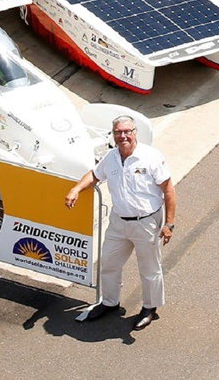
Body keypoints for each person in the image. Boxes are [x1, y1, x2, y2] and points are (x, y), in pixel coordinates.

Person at [65, 116, 176, 331]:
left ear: (135, 132)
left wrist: (169, 224)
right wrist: (76, 189)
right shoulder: (111, 157)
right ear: (113, 134)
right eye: (118, 132)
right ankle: (109, 302)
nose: (123, 136)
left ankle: (149, 308)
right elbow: (95, 175)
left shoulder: (151, 157)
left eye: (127, 131)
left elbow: (169, 190)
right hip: (118, 222)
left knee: (149, 268)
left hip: (146, 223)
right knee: (109, 263)